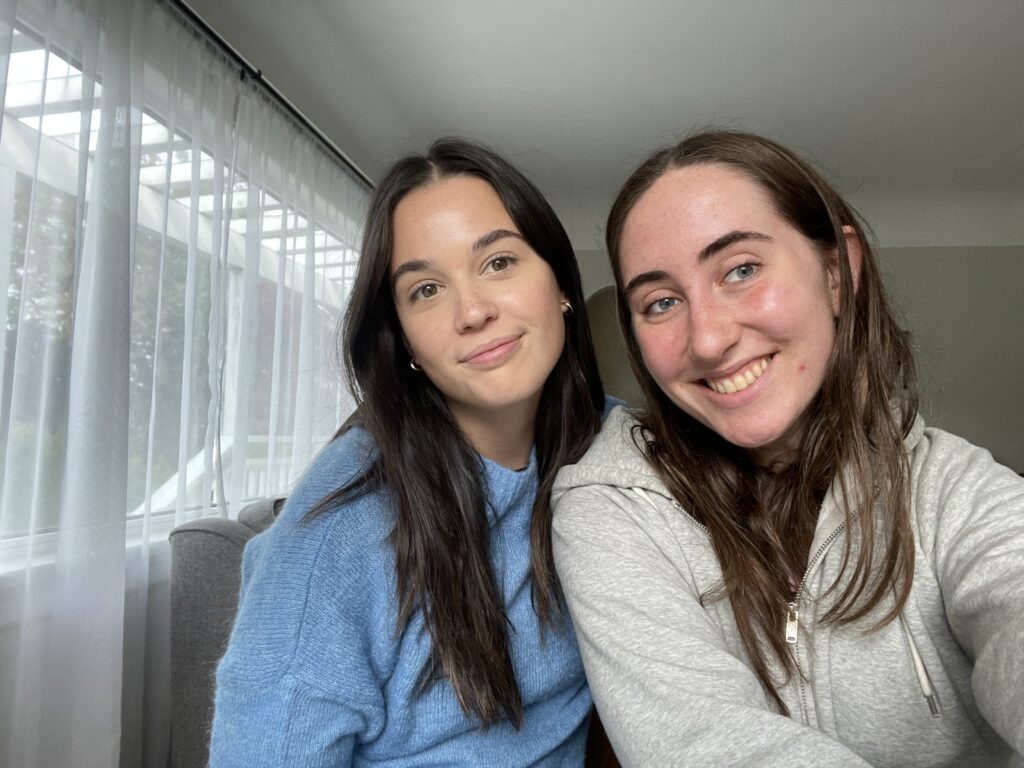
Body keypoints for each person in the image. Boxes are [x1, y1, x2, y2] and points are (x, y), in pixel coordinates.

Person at [551, 130, 1024, 767]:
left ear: (838, 272)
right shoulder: (610, 509)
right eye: (661, 302)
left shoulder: (958, 493)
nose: (710, 339)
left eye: (741, 270)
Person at [209, 138, 609, 766]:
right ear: (406, 344)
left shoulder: (612, 450)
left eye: (499, 262)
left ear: (559, 282)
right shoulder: (339, 534)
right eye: (426, 290)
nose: (473, 310)